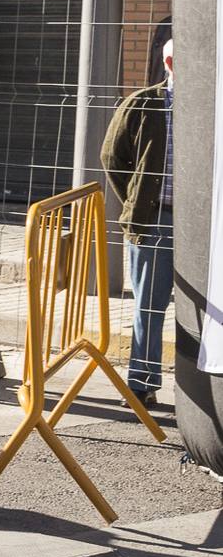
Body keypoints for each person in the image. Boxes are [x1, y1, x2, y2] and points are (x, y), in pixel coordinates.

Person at [101, 38, 174, 411]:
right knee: (150, 304)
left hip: (200, 225)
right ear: (172, 62)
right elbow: (112, 156)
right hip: (155, 218)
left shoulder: (211, 102)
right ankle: (142, 385)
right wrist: (136, 199)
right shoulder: (144, 102)